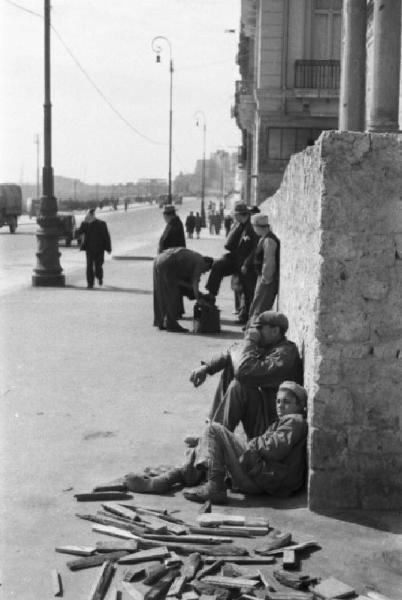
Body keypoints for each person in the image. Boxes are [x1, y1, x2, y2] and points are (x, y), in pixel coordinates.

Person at [124, 380, 308, 504]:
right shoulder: (286, 422)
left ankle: (213, 486)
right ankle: (167, 479)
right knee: (211, 439)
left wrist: (253, 444)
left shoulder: (295, 421)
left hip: (266, 480)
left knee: (214, 429)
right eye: (278, 402)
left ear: (299, 405)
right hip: (265, 476)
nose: (280, 406)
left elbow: (275, 449)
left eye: (287, 402)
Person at [190, 310, 303, 439]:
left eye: (260, 329)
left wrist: (250, 341)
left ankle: (214, 439)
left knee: (239, 386)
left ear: (275, 331)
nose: (255, 333)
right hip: (260, 413)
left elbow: (245, 372)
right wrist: (206, 367)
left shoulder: (285, 355)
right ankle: (212, 430)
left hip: (271, 428)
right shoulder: (267, 345)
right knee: (232, 364)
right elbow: (233, 350)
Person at [205, 202, 259, 322]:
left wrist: (246, 264)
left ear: (240, 214)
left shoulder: (251, 227)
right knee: (218, 265)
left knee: (246, 288)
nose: (234, 217)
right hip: (235, 259)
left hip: (246, 263)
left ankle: (245, 315)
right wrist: (237, 227)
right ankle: (211, 294)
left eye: (236, 215)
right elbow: (228, 244)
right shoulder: (240, 225)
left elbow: (256, 248)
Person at [153, 247, 213, 332]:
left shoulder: (193, 258)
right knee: (173, 295)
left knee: (161, 293)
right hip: (168, 261)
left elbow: (176, 280)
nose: (203, 272)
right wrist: (198, 298)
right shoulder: (201, 262)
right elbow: (195, 281)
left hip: (160, 259)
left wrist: (190, 287)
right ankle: (171, 324)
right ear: (207, 263)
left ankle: (161, 321)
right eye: (206, 270)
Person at [248, 213, 280, 322]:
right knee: (256, 306)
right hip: (262, 278)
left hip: (266, 280)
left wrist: (265, 279)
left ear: (258, 227)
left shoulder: (269, 240)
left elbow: (269, 261)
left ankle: (255, 333)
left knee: (260, 307)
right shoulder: (264, 238)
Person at [76, 208, 111, 289]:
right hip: (89, 249)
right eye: (86, 215)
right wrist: (77, 231)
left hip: (99, 249)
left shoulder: (101, 224)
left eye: (88, 215)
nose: (86, 216)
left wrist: (108, 249)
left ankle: (99, 277)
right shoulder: (84, 224)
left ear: (92, 215)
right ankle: (90, 284)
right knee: (89, 266)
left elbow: (106, 237)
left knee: (98, 266)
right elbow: (79, 233)